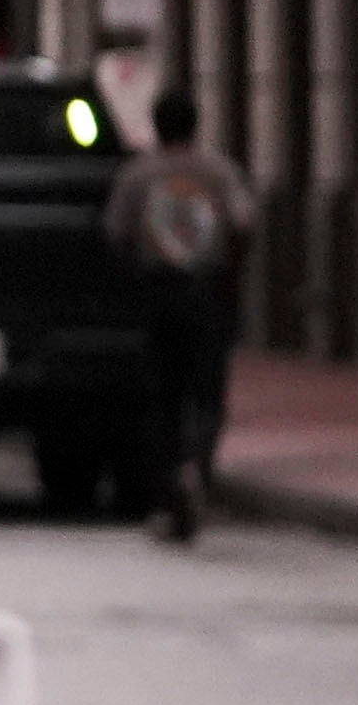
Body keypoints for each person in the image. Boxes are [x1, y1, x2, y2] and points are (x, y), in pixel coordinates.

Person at [106, 85, 260, 543]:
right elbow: (243, 222)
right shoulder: (218, 170)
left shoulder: (138, 174)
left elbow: (116, 233)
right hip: (206, 291)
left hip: (158, 293)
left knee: (163, 397)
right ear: (196, 123)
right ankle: (198, 466)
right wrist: (230, 272)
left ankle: (169, 486)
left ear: (156, 125)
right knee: (208, 392)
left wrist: (135, 274)